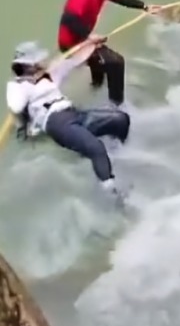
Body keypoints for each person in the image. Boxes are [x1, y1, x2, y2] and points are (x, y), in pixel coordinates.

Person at [6, 39, 130, 205]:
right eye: (39, 60)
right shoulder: (18, 86)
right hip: (56, 122)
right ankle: (113, 197)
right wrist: (28, 83)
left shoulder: (51, 73)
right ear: (30, 65)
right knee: (96, 148)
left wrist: (91, 42)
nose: (44, 60)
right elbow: (16, 105)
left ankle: (115, 155)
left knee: (120, 120)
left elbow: (75, 60)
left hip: (73, 113)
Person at [58, 0, 161, 107]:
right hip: (71, 44)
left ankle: (95, 87)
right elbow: (68, 19)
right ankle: (116, 107)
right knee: (116, 62)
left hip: (83, 39)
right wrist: (89, 37)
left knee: (100, 62)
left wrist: (144, 6)